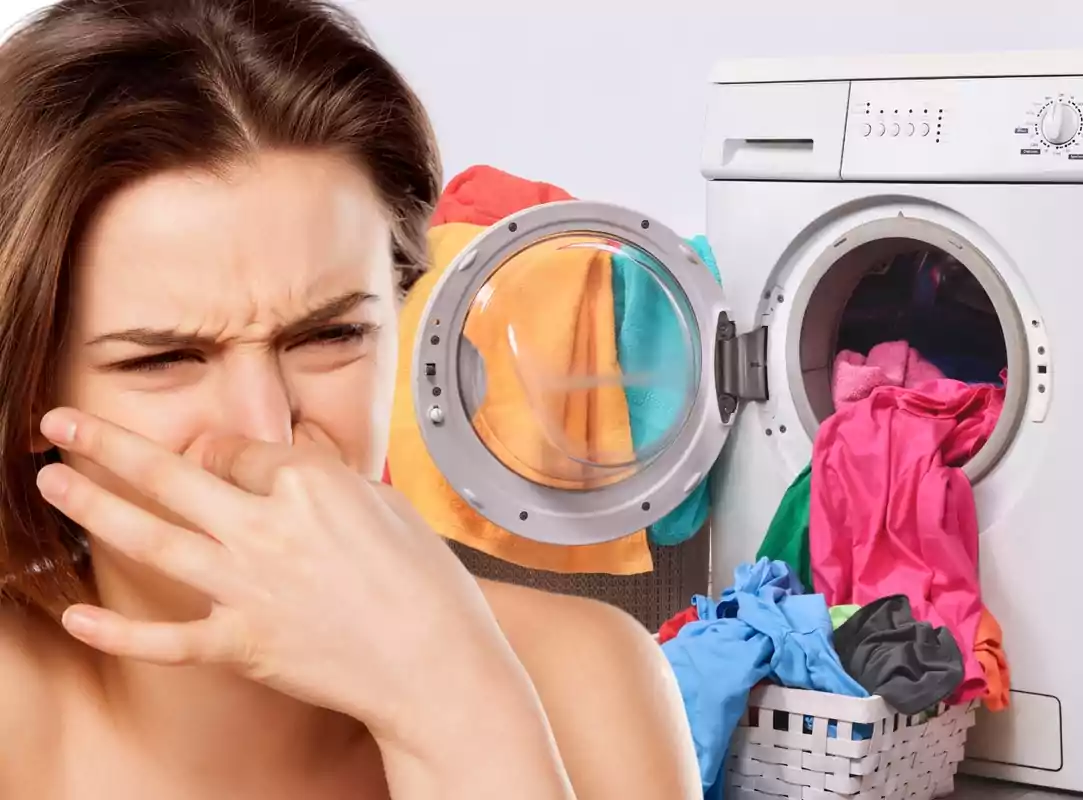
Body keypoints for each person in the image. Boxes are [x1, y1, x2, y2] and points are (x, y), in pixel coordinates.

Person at [0, 1, 701, 798]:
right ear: (28, 395)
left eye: (329, 337)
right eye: (165, 359)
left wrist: (451, 707)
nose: (267, 430)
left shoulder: (589, 678)